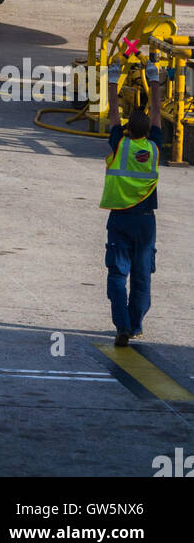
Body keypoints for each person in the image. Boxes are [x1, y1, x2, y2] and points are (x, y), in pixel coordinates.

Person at [101, 62, 163, 347]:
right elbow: (158, 113)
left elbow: (113, 111)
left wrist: (113, 79)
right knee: (142, 275)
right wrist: (154, 79)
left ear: (126, 130)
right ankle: (136, 325)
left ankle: (122, 326)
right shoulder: (153, 148)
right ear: (147, 132)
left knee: (117, 273)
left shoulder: (119, 145)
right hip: (146, 221)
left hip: (121, 219)